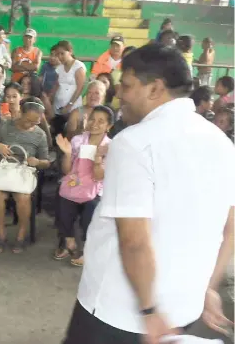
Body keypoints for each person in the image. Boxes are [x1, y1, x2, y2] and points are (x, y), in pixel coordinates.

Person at [62, 43, 235, 344]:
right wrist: (207, 286)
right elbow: (230, 225)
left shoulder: (134, 143)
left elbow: (134, 240)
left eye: (127, 85)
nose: (119, 94)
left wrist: (149, 310)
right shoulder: (220, 142)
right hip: (184, 308)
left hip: (120, 312)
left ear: (155, 88)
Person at [0, 97, 51, 253]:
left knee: (23, 197)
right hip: (2, 170)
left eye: (35, 122)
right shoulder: (4, 127)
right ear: (20, 113)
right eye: (28, 120)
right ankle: (1, 236)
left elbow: (47, 161)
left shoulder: (40, 135)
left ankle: (21, 236)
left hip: (23, 173)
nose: (30, 125)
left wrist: (37, 162)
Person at [53, 105, 113, 267]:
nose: (94, 123)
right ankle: (68, 240)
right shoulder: (78, 140)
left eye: (101, 121)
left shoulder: (110, 146)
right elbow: (67, 171)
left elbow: (99, 176)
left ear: (108, 126)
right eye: (92, 119)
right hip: (74, 183)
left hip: (95, 188)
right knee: (63, 200)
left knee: (91, 211)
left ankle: (88, 249)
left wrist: (99, 157)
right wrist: (66, 154)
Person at [51, 40, 87, 136]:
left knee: (70, 133)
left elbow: (80, 87)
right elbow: (57, 85)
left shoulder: (78, 66)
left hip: (73, 107)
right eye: (58, 54)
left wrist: (69, 105)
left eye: (62, 53)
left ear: (70, 51)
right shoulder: (60, 68)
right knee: (58, 133)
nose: (60, 57)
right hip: (58, 107)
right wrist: (50, 98)